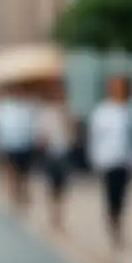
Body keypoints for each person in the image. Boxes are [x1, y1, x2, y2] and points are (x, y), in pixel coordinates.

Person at [87, 75, 132, 247]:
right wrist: (95, 159)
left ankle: (119, 222)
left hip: (124, 160)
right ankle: (113, 224)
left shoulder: (128, 110)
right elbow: (95, 137)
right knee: (110, 195)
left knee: (122, 196)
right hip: (107, 159)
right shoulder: (102, 111)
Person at [35, 83, 75, 230]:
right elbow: (41, 135)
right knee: (51, 186)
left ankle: (60, 216)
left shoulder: (67, 112)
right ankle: (53, 214)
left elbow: (73, 134)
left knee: (63, 186)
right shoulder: (46, 113)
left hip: (64, 153)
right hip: (51, 154)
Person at [0, 84, 36, 211]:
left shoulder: (26, 107)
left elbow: (30, 125)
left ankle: (22, 192)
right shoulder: (4, 108)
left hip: (24, 143)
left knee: (24, 171)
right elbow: (0, 126)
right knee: (13, 170)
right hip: (10, 144)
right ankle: (15, 194)